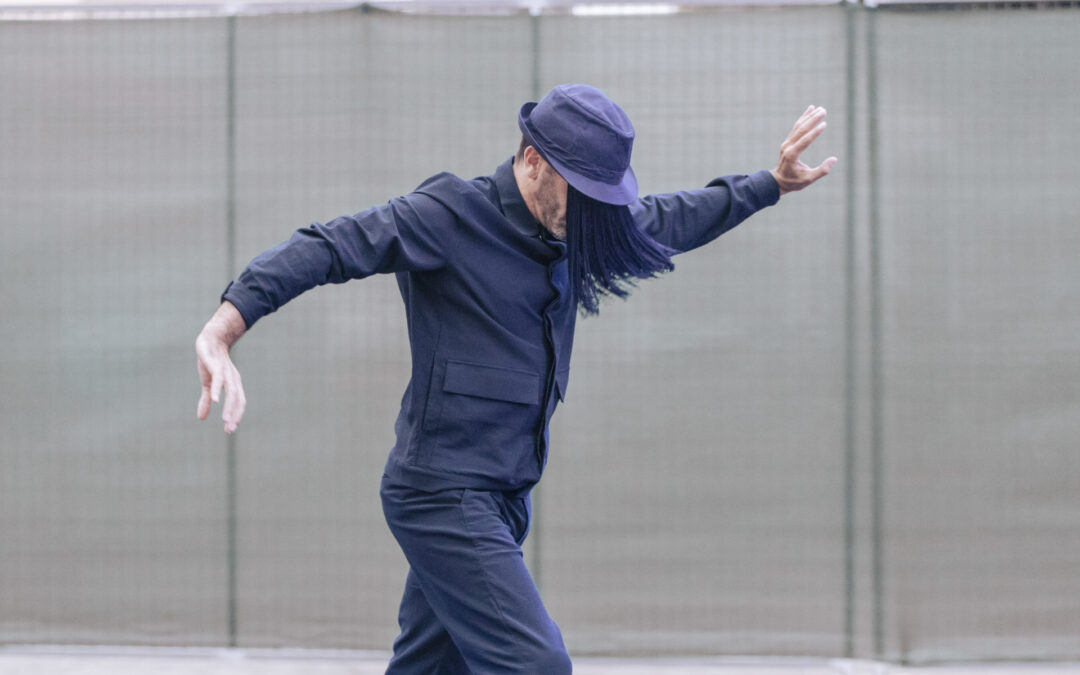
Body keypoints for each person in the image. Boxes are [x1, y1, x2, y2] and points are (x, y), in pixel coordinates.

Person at [195, 84, 836, 673]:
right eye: (578, 189)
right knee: (537, 666)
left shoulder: (576, 226)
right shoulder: (448, 215)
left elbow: (669, 218)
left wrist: (769, 185)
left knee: (426, 667)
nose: (591, 211)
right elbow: (330, 245)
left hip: (503, 496)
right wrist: (226, 327)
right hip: (442, 493)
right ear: (532, 161)